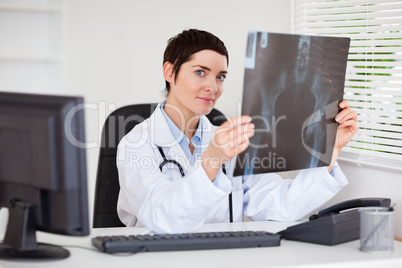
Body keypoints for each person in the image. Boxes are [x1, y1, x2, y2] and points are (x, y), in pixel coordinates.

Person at [116, 29, 358, 233]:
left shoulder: (230, 141)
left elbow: (283, 206)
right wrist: (211, 161)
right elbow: (162, 219)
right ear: (169, 72)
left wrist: (330, 149)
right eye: (200, 72)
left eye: (220, 77)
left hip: (225, 260)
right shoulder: (136, 144)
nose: (213, 87)